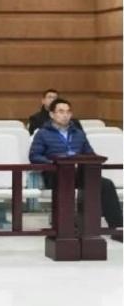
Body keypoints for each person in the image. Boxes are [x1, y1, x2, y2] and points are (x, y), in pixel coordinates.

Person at [29, 98, 122, 228]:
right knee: (65, 182)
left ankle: (117, 226)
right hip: (55, 173)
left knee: (106, 184)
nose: (65, 115)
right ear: (52, 114)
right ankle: (67, 224)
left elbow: (90, 154)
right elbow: (34, 156)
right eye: (61, 111)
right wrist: (54, 162)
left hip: (78, 172)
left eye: (68, 112)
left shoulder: (78, 134)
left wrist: (92, 160)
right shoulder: (42, 133)